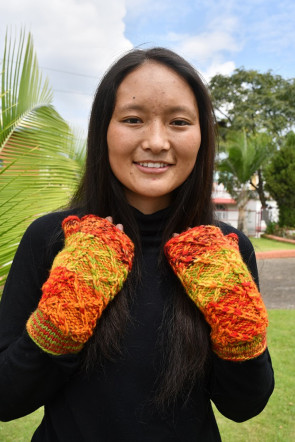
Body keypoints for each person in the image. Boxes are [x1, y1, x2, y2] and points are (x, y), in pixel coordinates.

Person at [0, 47, 274, 441]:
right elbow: (7, 399)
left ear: (202, 136)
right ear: (103, 130)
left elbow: (244, 406)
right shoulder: (52, 237)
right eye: (133, 119)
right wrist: (64, 314)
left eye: (179, 121)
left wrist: (237, 322)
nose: (157, 141)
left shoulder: (225, 249)